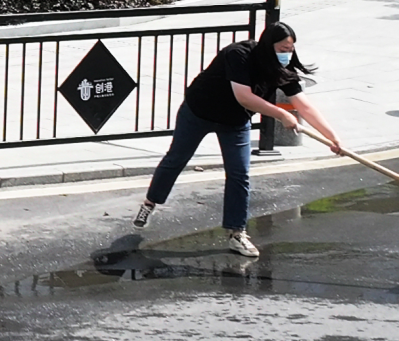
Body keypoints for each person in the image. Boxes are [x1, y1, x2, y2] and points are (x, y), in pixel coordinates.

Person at [134, 22, 341, 257]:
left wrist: (332, 138)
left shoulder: (282, 70)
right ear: (268, 45)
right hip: (199, 112)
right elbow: (244, 97)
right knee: (176, 159)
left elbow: (304, 106)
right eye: (283, 49)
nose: (287, 55)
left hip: (235, 122)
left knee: (239, 173)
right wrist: (282, 114)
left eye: (290, 49)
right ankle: (150, 203)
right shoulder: (239, 54)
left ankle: (237, 233)